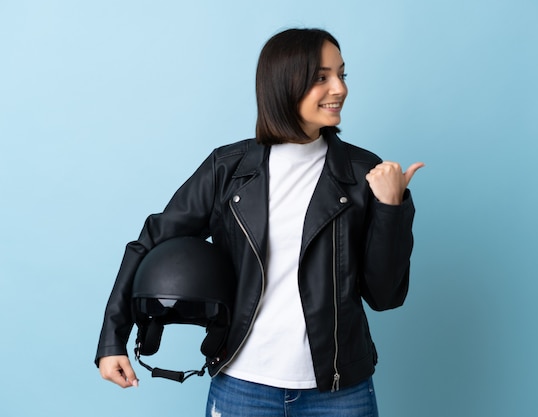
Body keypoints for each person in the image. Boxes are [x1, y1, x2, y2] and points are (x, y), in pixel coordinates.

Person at [96, 27, 424, 417]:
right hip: (242, 385)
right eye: (322, 77)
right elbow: (151, 241)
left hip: (339, 392)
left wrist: (391, 208)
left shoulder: (363, 172)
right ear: (284, 83)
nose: (339, 88)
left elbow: (385, 296)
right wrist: (112, 340)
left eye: (342, 74)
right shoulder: (228, 169)